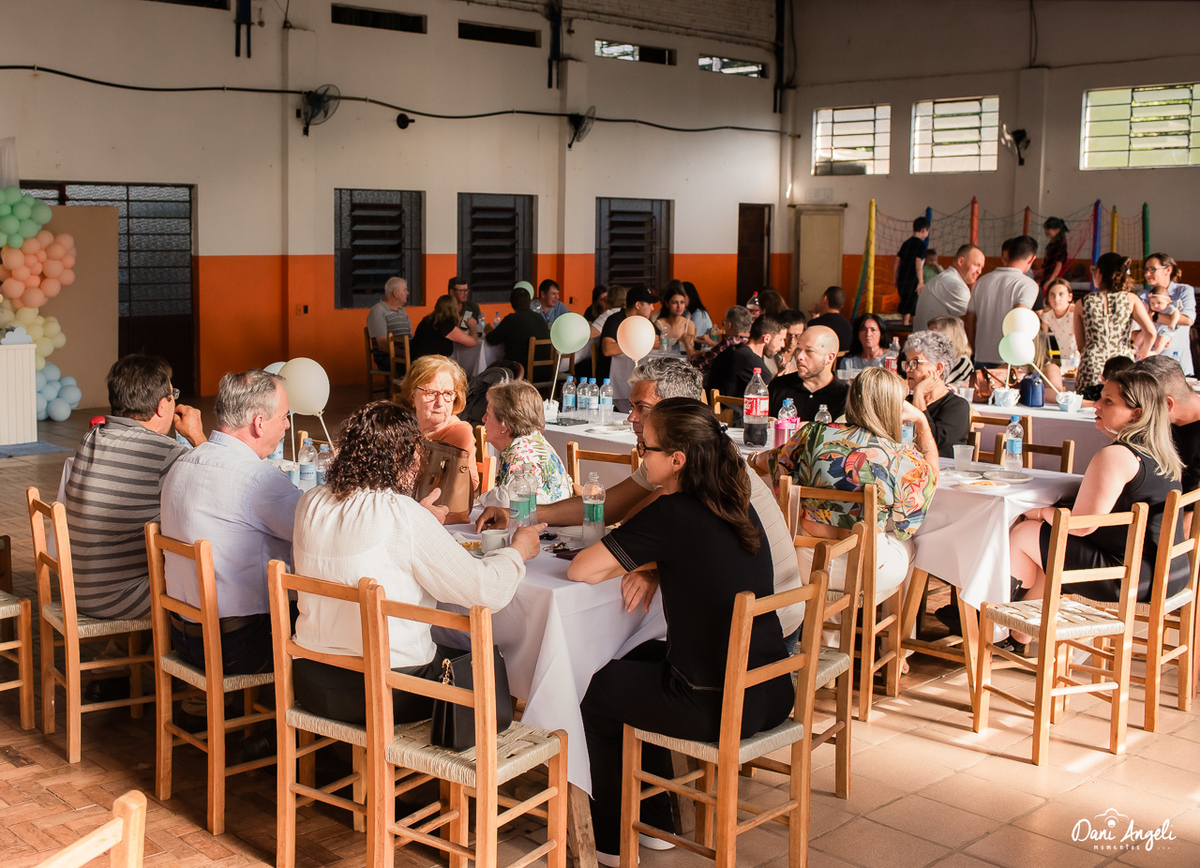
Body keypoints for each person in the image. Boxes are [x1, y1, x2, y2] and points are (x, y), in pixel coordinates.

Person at [568, 398, 794, 866]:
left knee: (593, 689)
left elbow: (582, 570)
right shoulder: (736, 500)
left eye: (645, 448)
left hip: (716, 704)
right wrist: (653, 566)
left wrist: (645, 561)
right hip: (771, 688)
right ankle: (656, 825)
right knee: (634, 664)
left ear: (676, 459)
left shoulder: (672, 512)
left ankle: (611, 842)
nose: (640, 456)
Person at [474, 356, 805, 637]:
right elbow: (611, 505)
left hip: (766, 623)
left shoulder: (704, 473)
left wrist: (655, 568)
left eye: (641, 408)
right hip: (750, 628)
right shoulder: (690, 455)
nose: (631, 417)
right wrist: (529, 513)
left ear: (676, 412)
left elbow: (705, 546)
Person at [290, 401, 545, 725]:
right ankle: (487, 755)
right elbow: (487, 591)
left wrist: (419, 520)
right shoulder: (402, 515)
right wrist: (518, 551)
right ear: (404, 459)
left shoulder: (310, 501)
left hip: (311, 680)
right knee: (488, 667)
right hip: (385, 691)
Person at [1006, 370, 1185, 651]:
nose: (1096, 405)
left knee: (1026, 533)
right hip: (1170, 573)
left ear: (1136, 414)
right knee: (1048, 545)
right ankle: (1018, 634)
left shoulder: (1117, 456)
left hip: (1129, 578)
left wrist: (1038, 512)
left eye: (1108, 401)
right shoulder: (1161, 454)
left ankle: (1000, 611)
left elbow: (1080, 526)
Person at [749, 366, 938, 605]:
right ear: (896, 408)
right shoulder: (901, 457)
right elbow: (931, 481)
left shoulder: (812, 435)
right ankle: (897, 630)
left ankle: (828, 624)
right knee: (910, 542)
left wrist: (752, 458)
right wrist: (921, 420)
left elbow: (766, 463)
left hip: (807, 563)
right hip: (868, 570)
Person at [160, 370, 301, 675]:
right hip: (237, 646)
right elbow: (314, 534)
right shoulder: (259, 480)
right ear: (259, 423)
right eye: (284, 417)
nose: (287, 425)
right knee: (334, 620)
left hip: (184, 635)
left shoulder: (180, 464)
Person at [64, 355, 205, 622]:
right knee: (210, 573)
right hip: (120, 598)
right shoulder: (164, 452)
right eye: (173, 395)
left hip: (77, 589)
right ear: (162, 406)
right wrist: (196, 435)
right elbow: (218, 484)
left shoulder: (91, 437)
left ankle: (131, 644)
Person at [1074, 252, 1156, 400]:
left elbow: (1081, 345)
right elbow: (1151, 332)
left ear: (1099, 272)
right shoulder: (1131, 299)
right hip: (1123, 363)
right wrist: (1143, 352)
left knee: (1088, 406)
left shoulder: (1083, 302)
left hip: (1091, 364)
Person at [478, 380, 572, 505]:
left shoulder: (522, 453)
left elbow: (508, 501)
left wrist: (481, 499)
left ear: (505, 424)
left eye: (488, 414)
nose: (483, 418)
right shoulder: (534, 441)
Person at [396, 355, 478, 491]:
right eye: (432, 393)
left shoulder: (459, 432)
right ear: (412, 395)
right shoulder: (400, 426)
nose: (440, 403)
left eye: (447, 393)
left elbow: (466, 486)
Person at [964, 235, 1040, 366]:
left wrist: (975, 350)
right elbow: (1018, 321)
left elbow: (969, 321)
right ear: (1032, 259)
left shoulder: (982, 281)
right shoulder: (1027, 284)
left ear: (1008, 254)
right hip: (1010, 359)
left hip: (981, 357)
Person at [1133, 355, 1200, 493]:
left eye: (1142, 403)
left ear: (1167, 404)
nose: (1138, 411)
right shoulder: (1169, 422)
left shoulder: (1194, 443)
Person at [903, 330, 971, 457]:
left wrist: (919, 394)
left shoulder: (958, 406)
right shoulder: (905, 401)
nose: (908, 369)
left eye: (915, 363)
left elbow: (931, 442)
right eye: (907, 363)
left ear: (938, 368)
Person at [767, 325, 849, 419]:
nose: (799, 357)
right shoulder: (778, 386)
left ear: (829, 358)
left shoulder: (846, 396)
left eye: (809, 351)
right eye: (798, 349)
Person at [706, 314, 785, 403]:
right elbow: (772, 398)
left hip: (715, 409)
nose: (783, 345)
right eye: (781, 340)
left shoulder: (733, 351)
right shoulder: (751, 361)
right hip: (731, 411)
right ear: (766, 338)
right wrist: (782, 377)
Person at [1137, 253, 1195, 374]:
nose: (1147, 274)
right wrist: (1149, 338)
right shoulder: (1142, 295)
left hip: (1176, 361)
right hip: (1147, 363)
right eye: (1145, 270)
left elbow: (1187, 320)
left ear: (1168, 270)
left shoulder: (1183, 291)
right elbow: (1135, 328)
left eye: (1152, 269)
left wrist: (1154, 316)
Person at [913, 243, 985, 331]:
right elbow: (973, 323)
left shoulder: (945, 278)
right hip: (933, 339)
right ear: (960, 261)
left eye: (981, 267)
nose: (979, 271)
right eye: (976, 265)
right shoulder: (955, 285)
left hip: (927, 338)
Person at [598, 285, 657, 381]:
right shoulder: (615, 320)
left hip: (637, 371)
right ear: (638, 305)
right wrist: (640, 343)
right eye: (649, 304)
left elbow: (659, 340)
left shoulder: (645, 321)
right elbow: (607, 350)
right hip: (610, 378)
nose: (652, 308)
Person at [485, 286, 551, 366]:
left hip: (519, 369)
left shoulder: (511, 319)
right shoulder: (540, 317)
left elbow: (492, 340)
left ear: (512, 303)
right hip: (545, 368)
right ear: (530, 302)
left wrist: (488, 330)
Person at [410, 294, 478, 361]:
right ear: (454, 308)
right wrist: (472, 326)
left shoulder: (427, 320)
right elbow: (473, 342)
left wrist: (457, 325)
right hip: (429, 364)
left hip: (416, 360)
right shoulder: (446, 325)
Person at [691, 304, 752, 378]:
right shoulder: (751, 341)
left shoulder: (727, 343)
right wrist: (711, 343)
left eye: (725, 322)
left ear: (729, 325)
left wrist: (687, 344)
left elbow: (698, 363)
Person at [365, 277, 412, 369]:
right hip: (387, 359)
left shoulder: (402, 311)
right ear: (396, 293)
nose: (407, 293)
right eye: (405, 290)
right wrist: (406, 353)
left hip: (405, 355)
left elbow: (410, 337)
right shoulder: (378, 311)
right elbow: (383, 345)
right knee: (421, 366)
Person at [894, 216, 930, 326]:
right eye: (927, 231)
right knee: (910, 306)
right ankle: (906, 327)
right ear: (924, 230)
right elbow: (918, 261)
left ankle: (907, 326)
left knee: (908, 305)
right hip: (912, 279)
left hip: (902, 278)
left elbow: (897, 260)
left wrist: (895, 277)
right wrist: (921, 281)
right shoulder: (921, 245)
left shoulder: (906, 243)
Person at [1040, 278, 1079, 367]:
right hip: (1064, 359)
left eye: (1061, 294)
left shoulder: (1075, 312)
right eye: (1052, 295)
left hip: (1078, 358)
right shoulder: (1048, 315)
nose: (1056, 299)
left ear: (1069, 297)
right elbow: (1042, 338)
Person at [927, 316, 975, 388]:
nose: (927, 338)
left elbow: (940, 386)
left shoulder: (962, 361)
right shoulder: (934, 359)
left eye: (933, 334)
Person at [651, 281, 697, 355]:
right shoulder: (659, 323)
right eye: (674, 302)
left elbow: (691, 347)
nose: (679, 306)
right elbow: (655, 347)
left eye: (682, 302)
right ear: (667, 304)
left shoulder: (689, 324)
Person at [806, 286, 853, 351]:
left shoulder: (815, 324)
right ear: (842, 305)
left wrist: (814, 318)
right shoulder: (848, 326)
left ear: (825, 299)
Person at [1038, 217, 1070, 297]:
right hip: (1048, 275)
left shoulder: (1059, 245)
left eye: (1048, 229)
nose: (1046, 231)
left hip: (1054, 278)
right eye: (1045, 229)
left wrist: (1050, 280)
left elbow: (1058, 265)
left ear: (1057, 230)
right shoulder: (1052, 244)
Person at [684, 281, 717, 348]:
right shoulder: (688, 312)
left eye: (683, 296)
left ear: (690, 296)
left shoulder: (698, 314)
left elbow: (691, 339)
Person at [774, 309, 807, 375]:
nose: (792, 341)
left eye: (797, 336)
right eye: (788, 335)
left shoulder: (805, 355)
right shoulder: (769, 352)